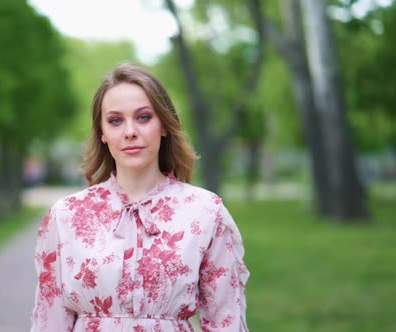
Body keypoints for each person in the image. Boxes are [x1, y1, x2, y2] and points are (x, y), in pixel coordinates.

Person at [30, 63, 250, 331]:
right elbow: (50, 320)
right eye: (115, 120)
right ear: (102, 133)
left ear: (165, 126)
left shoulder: (205, 211)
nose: (130, 131)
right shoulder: (67, 215)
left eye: (144, 117)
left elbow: (224, 319)